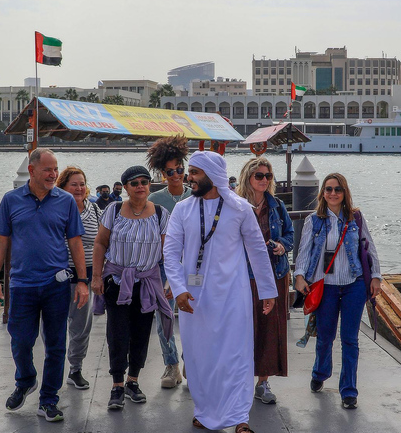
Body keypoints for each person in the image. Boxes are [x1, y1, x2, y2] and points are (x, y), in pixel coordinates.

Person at [163, 150, 277, 433]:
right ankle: (204, 411)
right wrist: (178, 290)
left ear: (212, 176)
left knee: (236, 356)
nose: (189, 178)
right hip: (194, 299)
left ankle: (240, 419)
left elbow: (258, 252)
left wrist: (268, 291)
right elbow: (170, 253)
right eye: (190, 172)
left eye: (194, 173)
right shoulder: (182, 209)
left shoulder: (239, 208)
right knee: (200, 358)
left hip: (233, 297)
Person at [0, 148, 89, 423]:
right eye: (48, 169)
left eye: (55, 169)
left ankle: (48, 400)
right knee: (21, 341)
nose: (53, 174)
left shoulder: (66, 200)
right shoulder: (11, 200)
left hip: (56, 284)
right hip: (21, 285)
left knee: (56, 344)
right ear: (31, 171)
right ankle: (25, 380)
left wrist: (82, 281)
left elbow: (75, 242)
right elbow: (1, 241)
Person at [293, 172, 382, 409]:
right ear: (323, 192)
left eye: (338, 189)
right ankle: (320, 373)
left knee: (350, 340)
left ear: (345, 193)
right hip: (326, 287)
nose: (333, 193)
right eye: (329, 189)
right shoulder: (315, 220)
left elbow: (369, 248)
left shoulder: (356, 218)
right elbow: (304, 251)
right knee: (325, 337)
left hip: (354, 285)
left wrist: (376, 277)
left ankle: (349, 390)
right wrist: (300, 276)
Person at [91, 165, 173, 411]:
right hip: (116, 282)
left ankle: (132, 381)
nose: (140, 186)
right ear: (125, 187)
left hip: (147, 283)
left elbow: (167, 252)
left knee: (141, 334)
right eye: (134, 183)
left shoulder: (160, 213)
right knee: (117, 335)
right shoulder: (114, 210)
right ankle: (117, 385)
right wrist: (96, 277)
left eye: (144, 182)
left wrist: (170, 280)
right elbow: (100, 243)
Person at [236, 157, 294, 405]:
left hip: (274, 274)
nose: (264, 180)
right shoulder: (235, 205)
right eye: (259, 175)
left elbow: (291, 235)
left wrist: (282, 246)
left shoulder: (277, 206)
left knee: (270, 330)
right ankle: (239, 382)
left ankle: (263, 382)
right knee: (241, 329)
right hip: (243, 276)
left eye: (268, 176)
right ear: (247, 177)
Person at [146, 135, 191, 388]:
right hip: (162, 267)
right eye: (170, 171)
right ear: (163, 173)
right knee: (163, 317)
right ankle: (171, 365)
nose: (175, 174)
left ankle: (190, 359)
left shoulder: (195, 196)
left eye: (180, 169)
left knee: (192, 315)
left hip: (193, 267)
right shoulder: (155, 200)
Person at [56, 166, 102, 391]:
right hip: (60, 276)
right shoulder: (57, 209)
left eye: (82, 183)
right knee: (54, 325)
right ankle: (53, 369)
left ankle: (75, 369)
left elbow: (104, 241)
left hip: (87, 277)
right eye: (73, 184)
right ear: (62, 186)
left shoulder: (94, 210)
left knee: (81, 326)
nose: (79, 188)